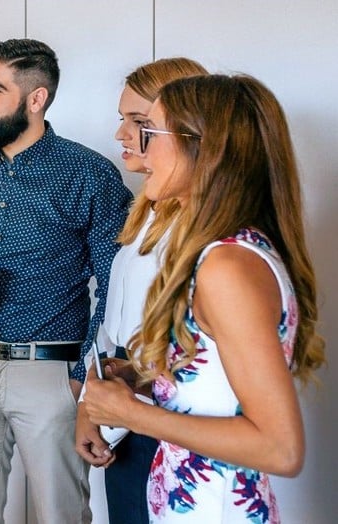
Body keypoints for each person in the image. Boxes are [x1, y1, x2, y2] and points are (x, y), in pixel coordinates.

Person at [82, 74, 326, 522]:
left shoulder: (227, 266)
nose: (138, 145)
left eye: (150, 132)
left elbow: (281, 446)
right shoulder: (225, 251)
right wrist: (142, 376)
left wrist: (132, 414)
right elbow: (218, 381)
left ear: (203, 148)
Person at [0, 38, 133, 523]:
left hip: (51, 375)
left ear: (35, 98)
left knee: (59, 515)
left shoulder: (89, 175)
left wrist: (86, 376)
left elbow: (115, 287)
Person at [74, 57, 207, 524]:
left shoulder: (215, 240)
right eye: (124, 119)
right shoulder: (147, 209)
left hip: (175, 430)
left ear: (187, 130)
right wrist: (96, 401)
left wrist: (122, 392)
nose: (122, 135)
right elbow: (116, 320)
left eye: (139, 122)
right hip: (129, 421)